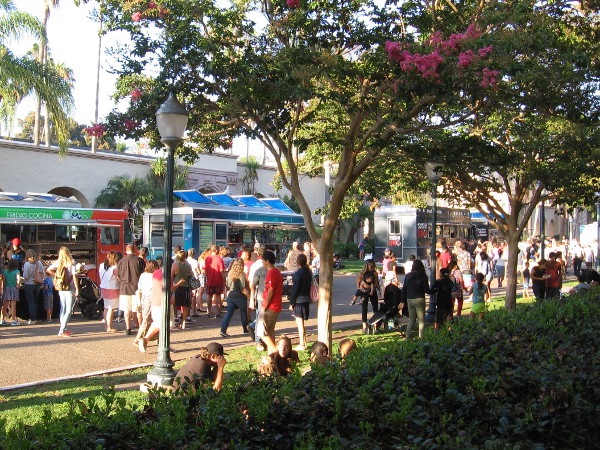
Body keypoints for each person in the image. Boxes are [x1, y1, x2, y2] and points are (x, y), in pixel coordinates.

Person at [46, 246, 79, 337]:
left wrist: (56, 275)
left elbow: (48, 270)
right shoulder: (71, 263)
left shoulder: (58, 263)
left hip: (61, 288)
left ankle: (63, 328)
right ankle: (62, 330)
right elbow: (75, 276)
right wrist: (77, 288)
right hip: (70, 288)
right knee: (69, 309)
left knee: (63, 308)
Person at [116, 244, 145, 335]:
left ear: (126, 250)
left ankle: (128, 328)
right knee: (138, 309)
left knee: (126, 309)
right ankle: (141, 327)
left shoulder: (121, 261)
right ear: (135, 250)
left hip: (125, 288)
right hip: (137, 288)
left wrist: (123, 282)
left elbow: (118, 276)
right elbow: (144, 273)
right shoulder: (139, 260)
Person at [401, 259, 432, 339]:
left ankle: (407, 335)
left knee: (412, 319)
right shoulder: (422, 276)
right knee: (421, 320)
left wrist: (402, 301)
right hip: (419, 298)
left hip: (409, 299)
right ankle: (421, 336)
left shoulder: (408, 276)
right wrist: (435, 290)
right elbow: (427, 290)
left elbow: (404, 289)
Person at [260, 250, 283, 353]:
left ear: (267, 261)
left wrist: (264, 307)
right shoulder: (277, 271)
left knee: (261, 330)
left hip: (272, 306)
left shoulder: (272, 272)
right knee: (270, 331)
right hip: (275, 306)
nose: (262, 263)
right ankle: (272, 356)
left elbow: (271, 291)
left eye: (263, 261)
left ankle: (274, 351)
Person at [220, 258, 249, 337]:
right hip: (240, 295)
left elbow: (228, 285)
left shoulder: (230, 273)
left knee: (229, 313)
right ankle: (245, 329)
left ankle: (223, 330)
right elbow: (243, 288)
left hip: (231, 295)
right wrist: (249, 297)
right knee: (243, 312)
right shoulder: (241, 274)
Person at [289, 253, 312, 351]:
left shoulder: (298, 274)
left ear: (298, 262)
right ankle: (304, 342)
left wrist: (291, 302)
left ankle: (302, 343)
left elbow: (295, 289)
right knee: (302, 323)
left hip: (298, 301)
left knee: (299, 323)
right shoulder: (308, 272)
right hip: (306, 299)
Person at [135, 259, 158, 345]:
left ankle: (152, 337)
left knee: (148, 318)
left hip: (144, 297)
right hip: (152, 297)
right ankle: (138, 338)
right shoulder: (154, 276)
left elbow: (139, 287)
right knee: (149, 319)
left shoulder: (143, 275)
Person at [249, 245, 268, 350]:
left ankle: (253, 327)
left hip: (261, 296)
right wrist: (252, 299)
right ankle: (258, 341)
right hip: (260, 296)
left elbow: (251, 283)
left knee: (261, 317)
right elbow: (253, 283)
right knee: (261, 318)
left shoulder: (254, 265)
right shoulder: (258, 267)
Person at [355, 259, 379, 334]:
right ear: (366, 266)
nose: (372, 268)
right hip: (364, 292)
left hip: (372, 292)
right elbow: (358, 285)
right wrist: (363, 287)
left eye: (373, 266)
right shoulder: (361, 274)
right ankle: (364, 326)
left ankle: (376, 325)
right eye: (370, 266)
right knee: (364, 308)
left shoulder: (374, 273)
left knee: (375, 308)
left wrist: (370, 286)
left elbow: (376, 284)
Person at [99, 251, 120, 333]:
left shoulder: (102, 266)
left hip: (103, 287)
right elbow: (118, 278)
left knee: (106, 307)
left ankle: (106, 326)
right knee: (111, 308)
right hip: (112, 289)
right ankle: (109, 327)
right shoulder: (115, 268)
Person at [22, 249, 45, 324]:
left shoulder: (27, 264)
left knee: (30, 302)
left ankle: (32, 318)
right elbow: (42, 272)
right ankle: (35, 317)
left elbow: (25, 276)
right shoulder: (39, 263)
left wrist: (22, 278)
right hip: (37, 283)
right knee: (35, 301)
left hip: (29, 284)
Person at [171, 249, 192, 329]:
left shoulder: (175, 265)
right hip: (186, 286)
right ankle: (183, 322)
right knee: (185, 305)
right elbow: (191, 274)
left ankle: (175, 317)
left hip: (177, 286)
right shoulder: (188, 265)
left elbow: (172, 277)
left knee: (175, 304)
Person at [204, 245, 226, 319]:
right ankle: (218, 311)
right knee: (218, 295)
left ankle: (209, 311)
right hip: (218, 280)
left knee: (209, 295)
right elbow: (222, 271)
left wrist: (205, 279)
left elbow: (205, 270)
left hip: (210, 280)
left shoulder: (207, 258)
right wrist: (224, 280)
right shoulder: (219, 259)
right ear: (216, 251)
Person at [3, 259, 22, 326]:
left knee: (5, 305)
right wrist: (18, 284)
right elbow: (18, 278)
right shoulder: (17, 271)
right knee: (13, 305)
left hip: (7, 288)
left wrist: (4, 288)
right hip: (14, 288)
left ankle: (2, 319)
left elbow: (4, 281)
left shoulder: (5, 272)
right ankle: (14, 320)